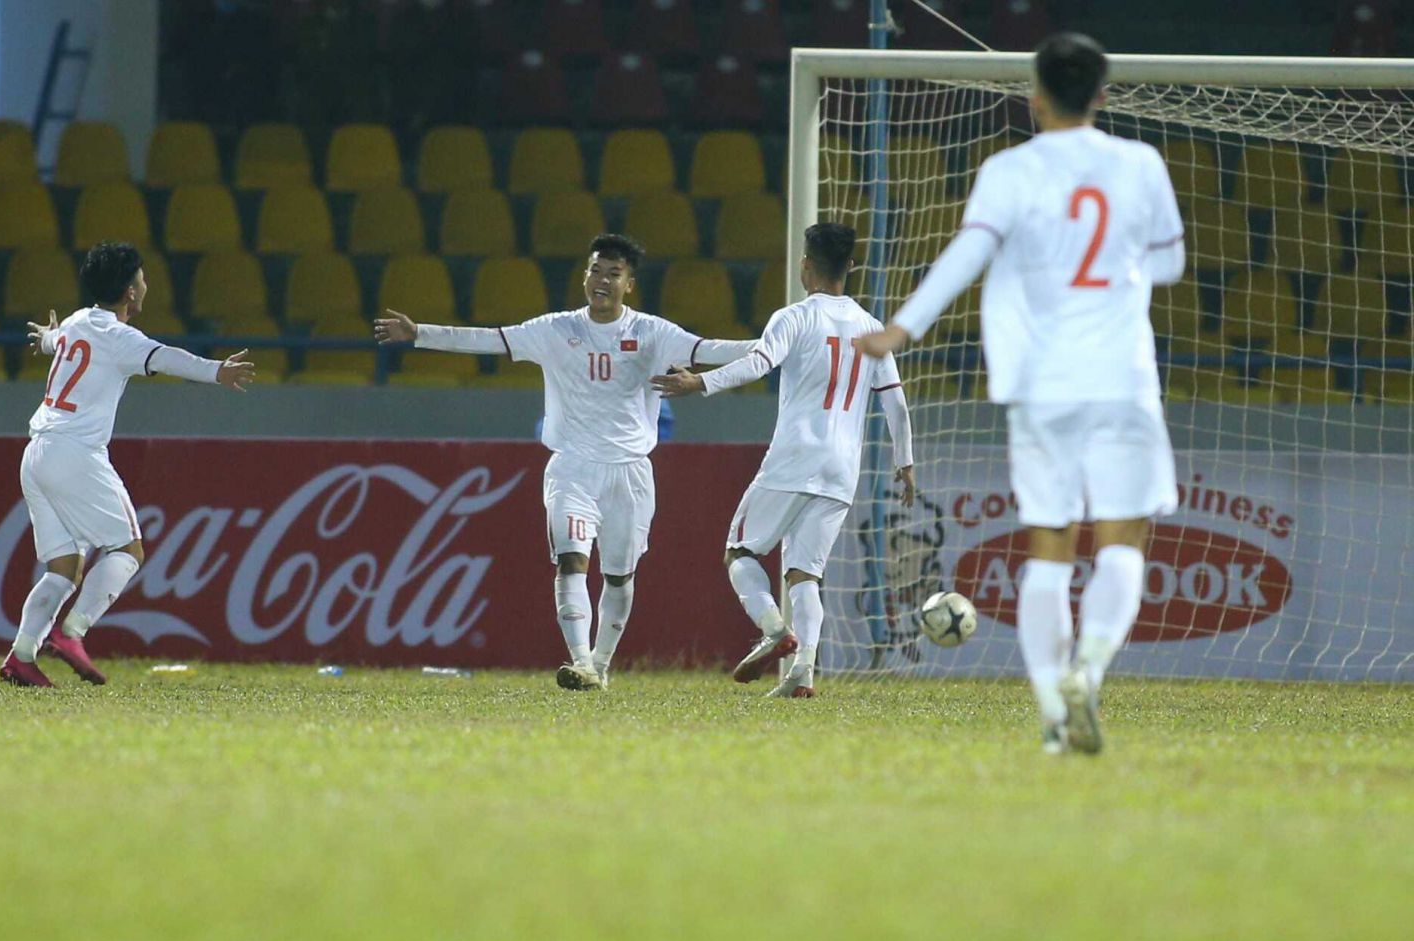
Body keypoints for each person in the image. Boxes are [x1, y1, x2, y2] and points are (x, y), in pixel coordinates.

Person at [855, 32, 1185, 754]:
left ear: (1034, 95)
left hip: (1041, 382)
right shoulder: (1141, 164)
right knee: (1125, 540)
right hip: (1122, 379)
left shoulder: (1009, 170)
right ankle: (1088, 674)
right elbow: (1169, 264)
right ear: (1103, 94)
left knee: (1051, 547)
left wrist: (901, 328)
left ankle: (1051, 717)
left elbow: (969, 250)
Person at [373, 234, 756, 690]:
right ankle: (580, 661)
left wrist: (778, 346)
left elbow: (710, 349)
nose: (602, 280)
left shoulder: (652, 333)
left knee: (619, 577)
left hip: (630, 473)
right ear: (584, 275)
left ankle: (601, 663)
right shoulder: (555, 330)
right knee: (571, 561)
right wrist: (420, 335)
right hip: (572, 467)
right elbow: (492, 340)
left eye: (614, 274)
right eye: (596, 270)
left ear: (629, 285)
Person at [652, 223, 916, 699]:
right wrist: (906, 463)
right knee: (804, 572)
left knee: (740, 551)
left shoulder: (793, 317)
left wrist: (700, 383)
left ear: (805, 266)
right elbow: (894, 403)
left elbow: (757, 364)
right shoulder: (872, 327)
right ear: (850, 268)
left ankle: (773, 629)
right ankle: (803, 673)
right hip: (843, 466)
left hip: (795, 457)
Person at [0, 242, 255, 687]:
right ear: (130, 292)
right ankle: (72, 633)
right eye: (141, 278)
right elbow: (168, 358)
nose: (145, 285)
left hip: (36, 453)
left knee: (64, 566)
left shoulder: (78, 321)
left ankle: (22, 656)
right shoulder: (121, 338)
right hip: (76, 453)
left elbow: (53, 341)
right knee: (128, 549)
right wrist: (218, 371)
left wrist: (44, 338)